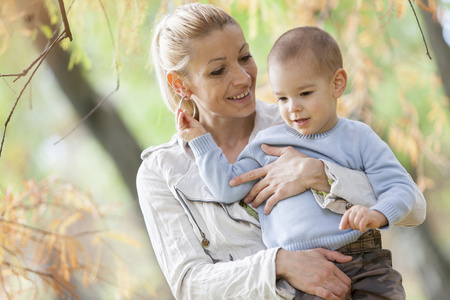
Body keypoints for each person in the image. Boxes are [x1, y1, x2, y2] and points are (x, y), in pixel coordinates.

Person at [137, 3, 426, 300]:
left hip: (362, 272)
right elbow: (189, 284)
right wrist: (278, 264)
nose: (242, 78)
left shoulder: (300, 119)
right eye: (218, 70)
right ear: (180, 84)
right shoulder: (162, 172)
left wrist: (322, 176)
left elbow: (412, 205)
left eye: (245, 57)